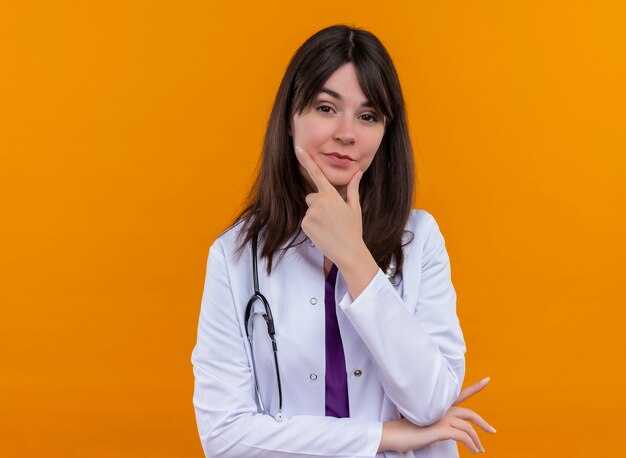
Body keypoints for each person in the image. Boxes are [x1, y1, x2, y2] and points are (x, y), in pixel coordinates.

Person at [191, 24, 496, 457]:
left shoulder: (420, 240)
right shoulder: (236, 256)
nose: (347, 133)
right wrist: (384, 436)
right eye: (326, 108)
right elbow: (225, 437)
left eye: (368, 116)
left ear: (386, 133)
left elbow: (431, 403)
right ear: (290, 117)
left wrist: (355, 257)